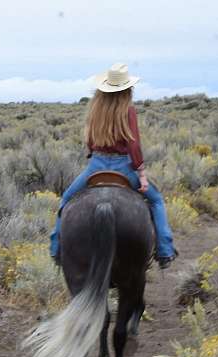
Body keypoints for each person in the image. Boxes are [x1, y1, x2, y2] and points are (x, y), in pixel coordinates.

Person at [50, 62, 178, 269]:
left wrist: (95, 153)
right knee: (156, 201)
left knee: (66, 198)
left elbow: (90, 140)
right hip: (123, 166)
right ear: (127, 88)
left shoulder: (95, 108)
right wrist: (141, 173)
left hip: (96, 165)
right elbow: (133, 144)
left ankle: (56, 249)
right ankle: (164, 251)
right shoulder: (128, 110)